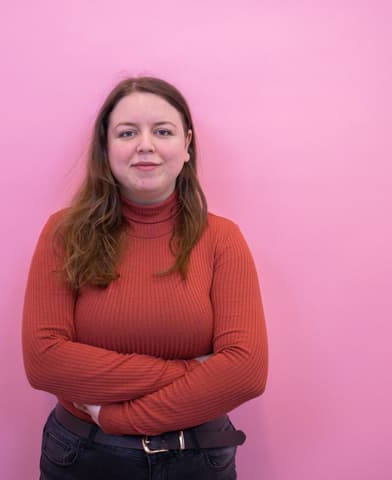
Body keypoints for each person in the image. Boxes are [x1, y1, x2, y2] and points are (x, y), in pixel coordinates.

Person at [22, 76, 268, 480]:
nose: (145, 145)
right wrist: (191, 370)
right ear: (106, 148)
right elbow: (44, 361)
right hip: (83, 455)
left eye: (163, 131)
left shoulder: (222, 238)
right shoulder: (64, 234)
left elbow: (246, 372)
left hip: (196, 457)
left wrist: (119, 419)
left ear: (187, 146)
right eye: (127, 133)